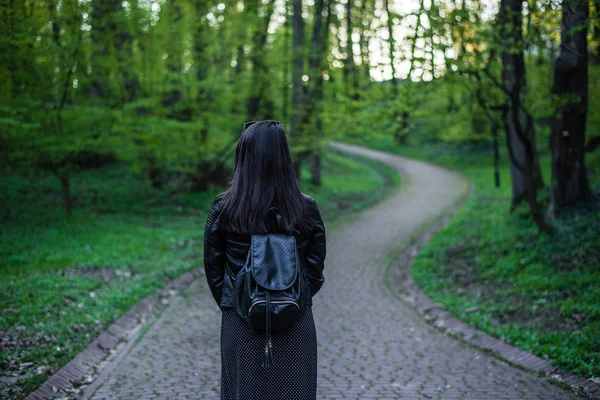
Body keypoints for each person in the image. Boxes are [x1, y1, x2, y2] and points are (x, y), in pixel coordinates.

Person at [203, 120, 326, 400]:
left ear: (243, 156)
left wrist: (237, 300)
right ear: (284, 157)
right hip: (295, 316)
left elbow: (214, 271)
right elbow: (315, 271)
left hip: (240, 319)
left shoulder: (224, 209)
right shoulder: (306, 208)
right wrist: (290, 296)